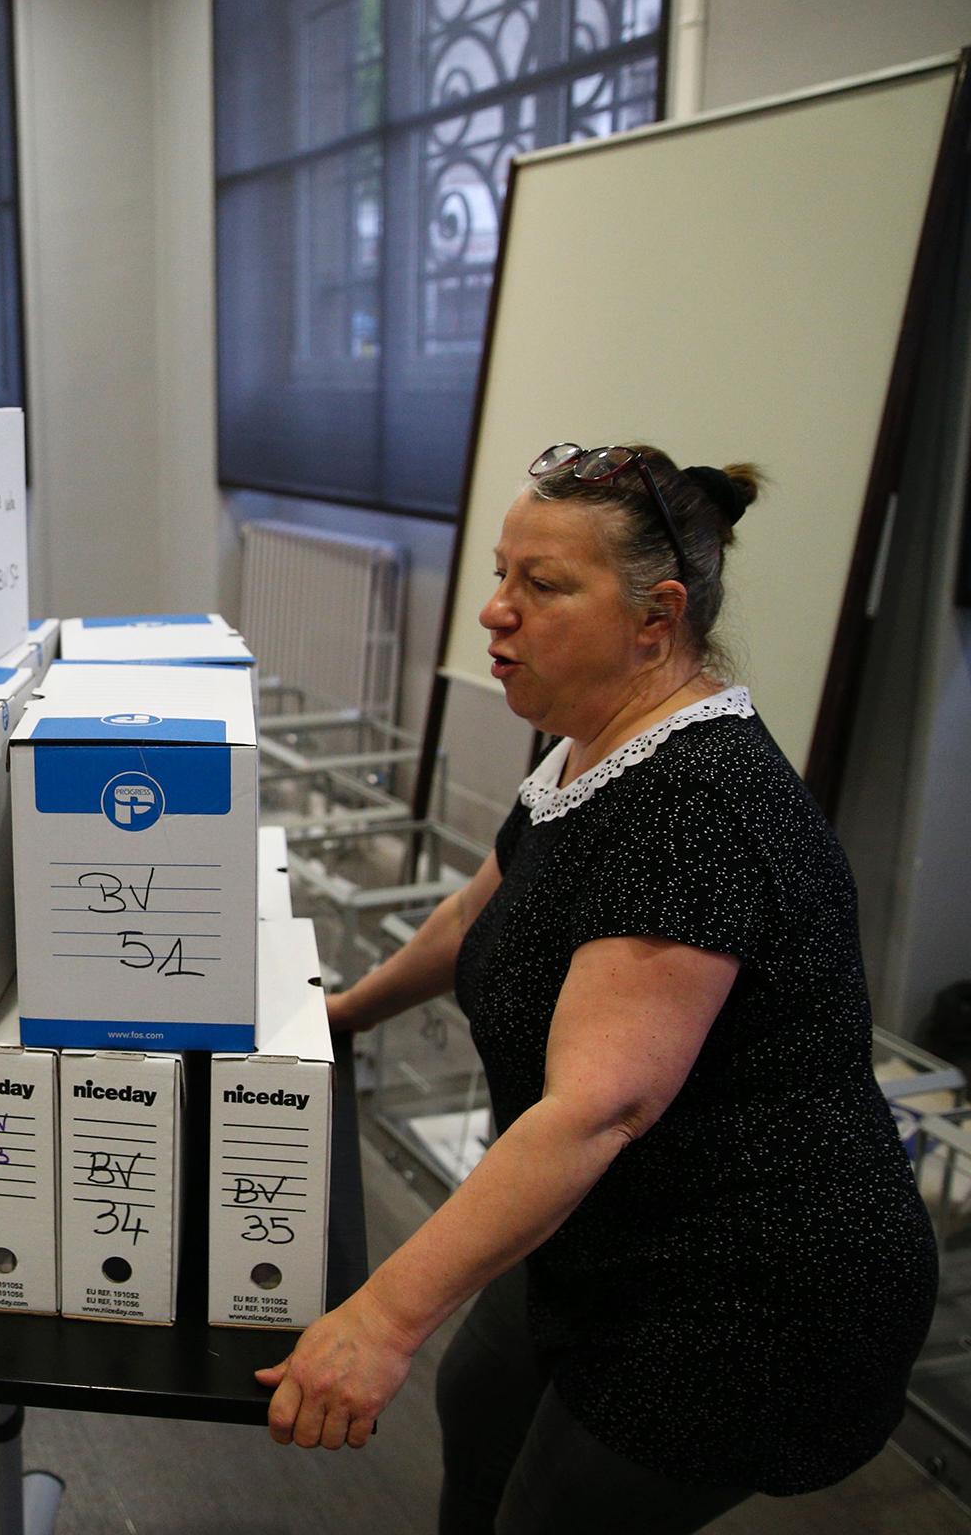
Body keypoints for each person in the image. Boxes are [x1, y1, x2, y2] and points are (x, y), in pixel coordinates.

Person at [255, 444, 938, 1534]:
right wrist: (332, 1022)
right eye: (498, 573)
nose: (492, 612)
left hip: (745, 1286)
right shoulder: (592, 754)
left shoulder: (692, 808)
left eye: (541, 586)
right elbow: (472, 914)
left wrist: (380, 1319)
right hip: (607, 1231)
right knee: (476, 1416)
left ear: (653, 618)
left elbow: (597, 1106)